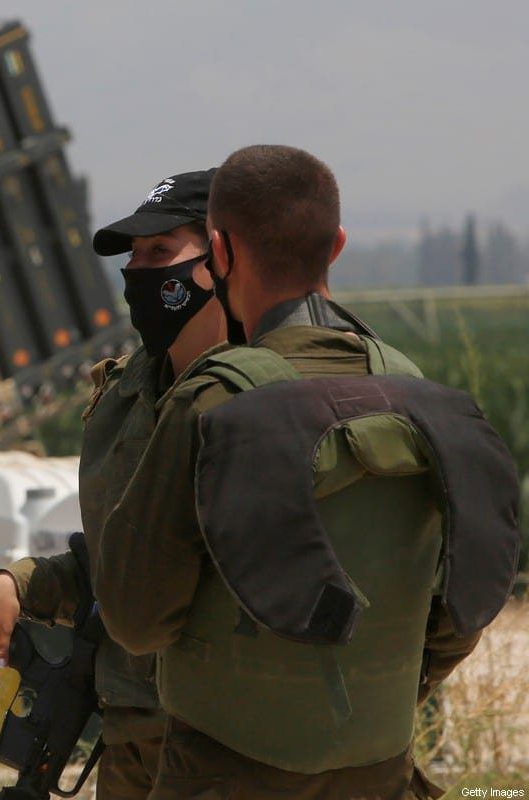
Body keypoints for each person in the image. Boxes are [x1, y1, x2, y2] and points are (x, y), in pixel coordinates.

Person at [93, 145, 521, 799]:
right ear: (338, 245)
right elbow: (468, 600)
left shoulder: (209, 400)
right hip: (379, 767)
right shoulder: (414, 391)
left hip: (224, 770)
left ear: (221, 253)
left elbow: (137, 619)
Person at [0, 169, 225, 799]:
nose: (137, 271)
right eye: (134, 255)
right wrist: (18, 583)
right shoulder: (126, 394)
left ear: (222, 259)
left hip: (225, 733)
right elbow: (119, 556)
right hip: (131, 723)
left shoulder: (269, 399)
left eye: (161, 252)